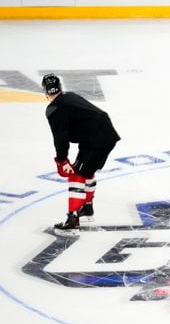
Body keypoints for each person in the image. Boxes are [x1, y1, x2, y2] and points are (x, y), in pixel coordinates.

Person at [42, 73, 121, 236]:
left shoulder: (53, 108)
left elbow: (60, 136)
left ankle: (72, 221)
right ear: (60, 87)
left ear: (46, 91)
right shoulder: (70, 96)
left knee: (76, 174)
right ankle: (86, 209)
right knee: (86, 170)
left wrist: (61, 159)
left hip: (95, 137)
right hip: (107, 133)